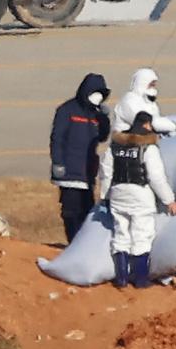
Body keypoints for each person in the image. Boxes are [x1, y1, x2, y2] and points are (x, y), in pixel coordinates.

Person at [98, 112, 176, 288]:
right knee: (142, 235)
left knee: (121, 234)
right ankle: (140, 279)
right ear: (148, 125)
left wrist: (104, 197)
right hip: (140, 195)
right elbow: (156, 178)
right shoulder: (148, 148)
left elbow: (106, 172)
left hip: (118, 193)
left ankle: (121, 278)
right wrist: (169, 200)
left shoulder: (116, 145)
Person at [49, 73, 111, 241]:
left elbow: (102, 137)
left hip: (86, 173)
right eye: (95, 92)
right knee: (71, 211)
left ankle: (82, 244)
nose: (97, 96)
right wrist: (58, 162)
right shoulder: (67, 110)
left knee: (87, 211)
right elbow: (57, 137)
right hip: (69, 173)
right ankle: (73, 242)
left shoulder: (96, 115)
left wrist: (104, 120)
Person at [111, 67, 176, 135]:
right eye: (151, 84)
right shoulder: (129, 100)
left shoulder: (148, 101)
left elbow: (156, 118)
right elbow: (145, 122)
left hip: (145, 139)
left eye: (154, 85)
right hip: (126, 141)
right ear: (142, 82)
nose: (153, 87)